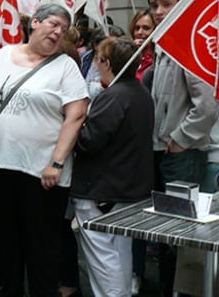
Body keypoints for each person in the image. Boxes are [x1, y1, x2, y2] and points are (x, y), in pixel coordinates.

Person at [0, 3, 89, 297]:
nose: (58, 31)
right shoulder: (4, 56)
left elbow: (77, 115)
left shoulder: (65, 66)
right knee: (6, 247)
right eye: (53, 24)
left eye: (63, 28)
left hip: (41, 173)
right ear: (35, 23)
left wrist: (57, 163)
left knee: (42, 251)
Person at [148, 0, 219, 296]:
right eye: (155, 6)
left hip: (182, 154)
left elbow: (207, 104)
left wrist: (180, 138)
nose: (160, 12)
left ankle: (180, 291)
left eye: (167, 4)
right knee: (166, 228)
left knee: (180, 231)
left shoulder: (190, 44)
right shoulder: (165, 42)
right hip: (163, 150)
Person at [72, 37, 154, 297]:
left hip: (101, 191)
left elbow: (88, 142)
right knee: (120, 255)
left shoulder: (113, 96)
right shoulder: (140, 92)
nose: (95, 63)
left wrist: (78, 124)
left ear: (107, 63)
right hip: (127, 188)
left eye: (98, 59)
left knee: (103, 261)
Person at [128, 10, 157, 81]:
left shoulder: (157, 59)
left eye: (146, 28)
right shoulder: (128, 54)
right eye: (137, 28)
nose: (140, 32)